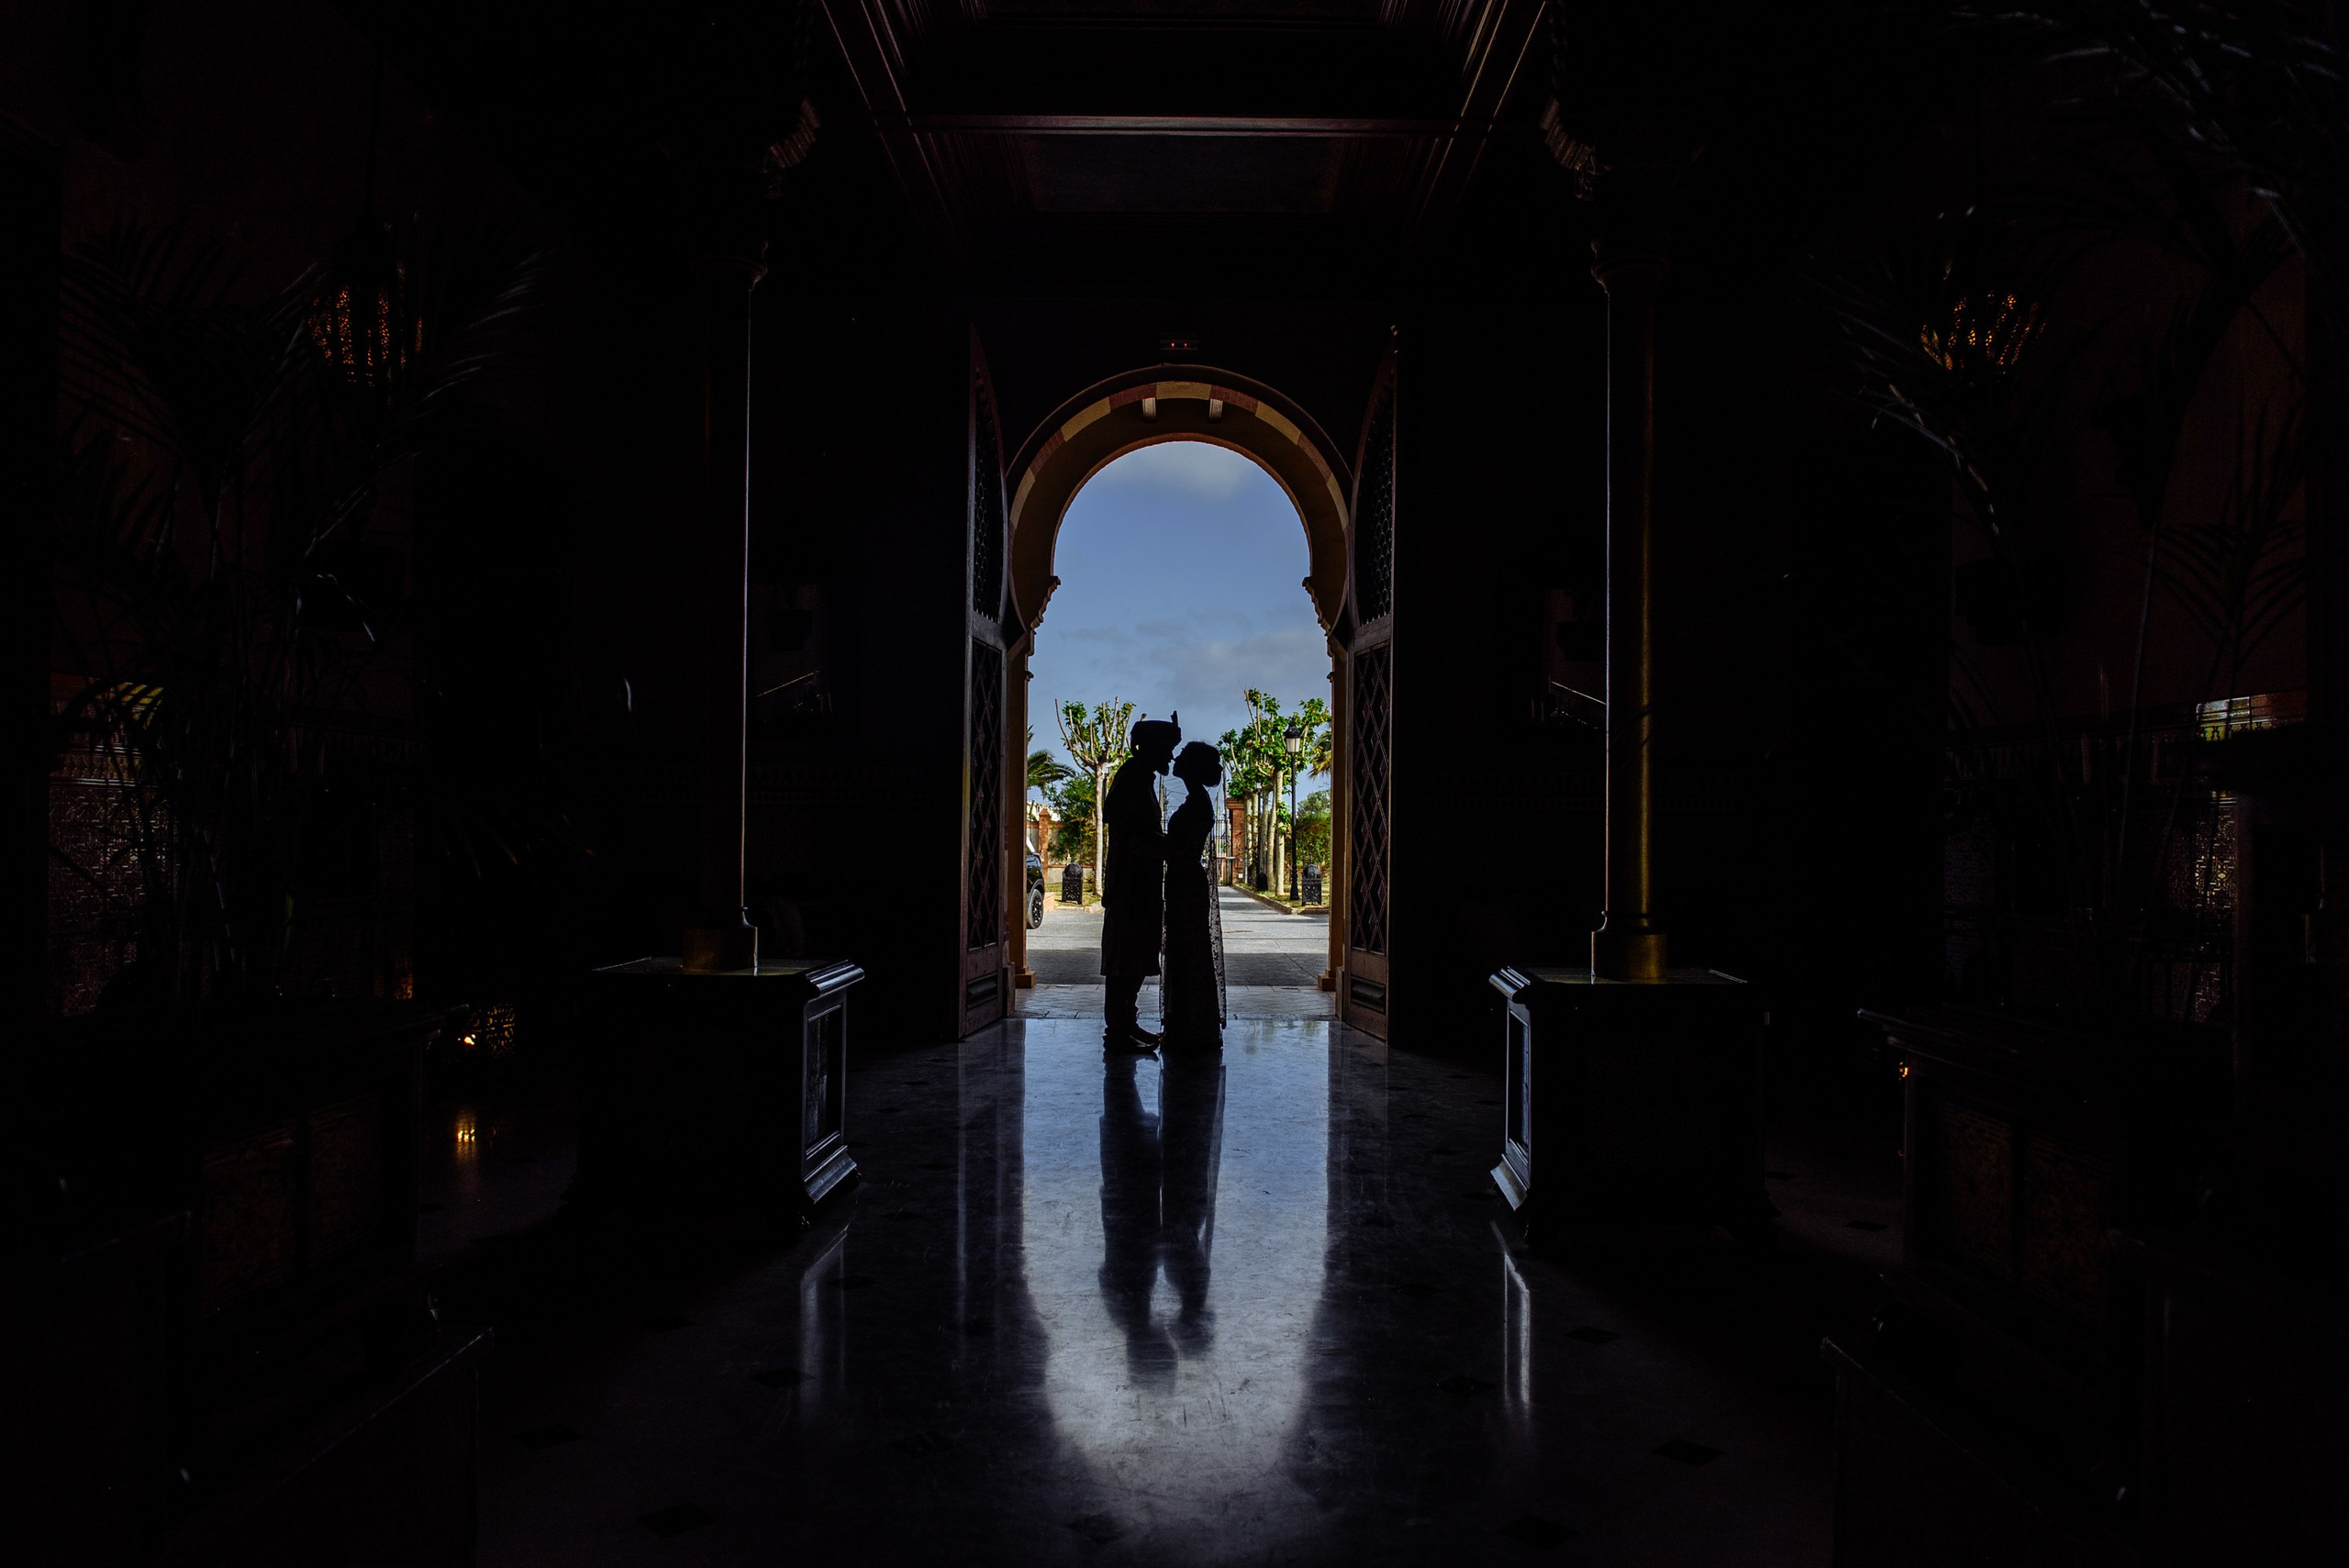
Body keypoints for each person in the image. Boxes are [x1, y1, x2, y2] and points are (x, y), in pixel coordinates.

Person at [1100, 715, 1179, 1053]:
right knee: (1124, 959)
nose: (1170, 759)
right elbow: (1132, 838)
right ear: (1148, 748)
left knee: (1133, 957)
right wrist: (1169, 847)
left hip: (1140, 883)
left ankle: (1126, 1023)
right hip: (1129, 883)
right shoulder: (1131, 780)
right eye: (1166, 750)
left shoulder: (1140, 778)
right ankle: (1118, 1030)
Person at [1160, 742, 1226, 1052]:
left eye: (1183, 756)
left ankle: (1191, 1026)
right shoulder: (1197, 800)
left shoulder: (1198, 803)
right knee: (1185, 950)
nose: (1176, 758)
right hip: (1183, 880)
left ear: (1194, 767)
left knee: (1188, 950)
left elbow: (1180, 849)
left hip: (1186, 881)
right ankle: (1188, 1023)